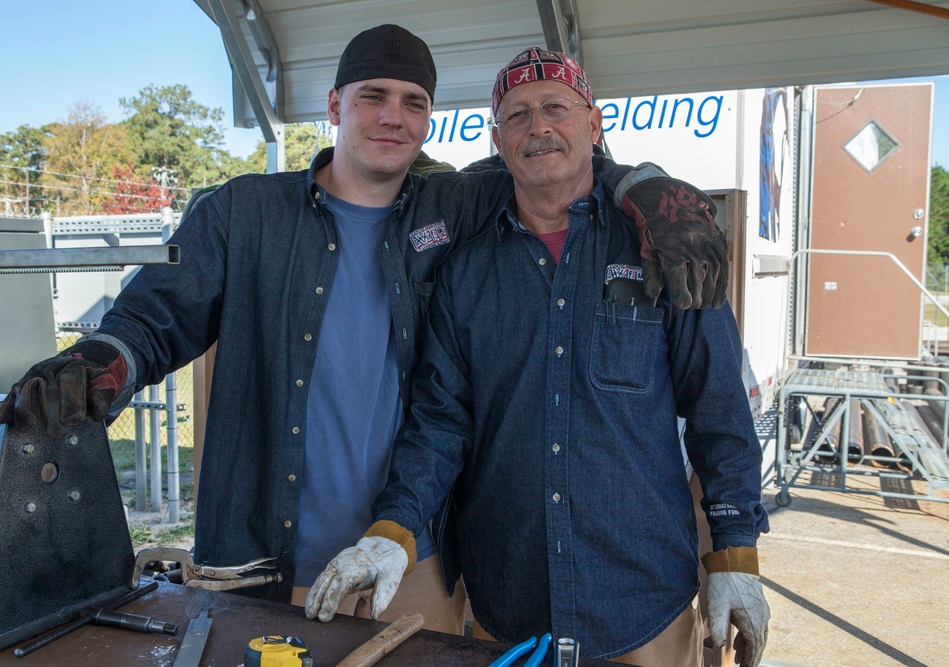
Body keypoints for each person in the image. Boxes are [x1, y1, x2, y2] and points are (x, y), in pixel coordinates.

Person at [0, 28, 729, 637]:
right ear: (336, 103)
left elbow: (557, 162)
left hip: (414, 565)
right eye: (372, 96)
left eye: (413, 102)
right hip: (260, 564)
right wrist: (98, 366)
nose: (391, 117)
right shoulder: (243, 215)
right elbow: (152, 320)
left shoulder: (454, 204)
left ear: (431, 119)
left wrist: (648, 187)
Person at [305, 47, 770, 667]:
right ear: (497, 139)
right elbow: (441, 421)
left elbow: (719, 411)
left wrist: (735, 554)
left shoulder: (664, 244)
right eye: (517, 115)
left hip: (642, 603)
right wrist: (395, 531)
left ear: (595, 122)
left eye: (557, 107)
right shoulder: (466, 267)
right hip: (507, 605)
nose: (538, 127)